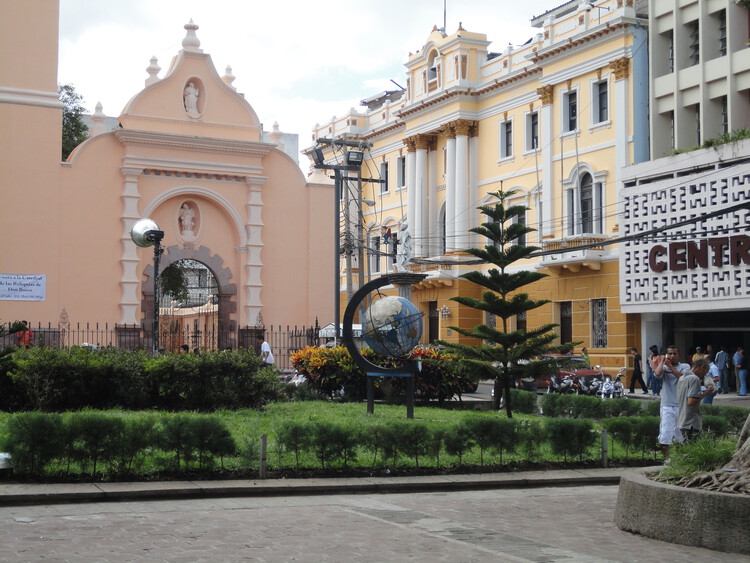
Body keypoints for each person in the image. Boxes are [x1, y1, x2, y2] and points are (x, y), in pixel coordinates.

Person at [653, 345, 691, 460]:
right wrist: (662, 362)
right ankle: (667, 460)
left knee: (680, 435)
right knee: (665, 434)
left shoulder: (685, 366)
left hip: (681, 406)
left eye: (674, 354)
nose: (672, 356)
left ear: (679, 355)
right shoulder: (664, 367)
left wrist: (670, 367)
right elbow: (657, 374)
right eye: (669, 354)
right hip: (667, 405)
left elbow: (682, 378)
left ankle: (679, 459)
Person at [677, 358, 713, 441]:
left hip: (682, 420)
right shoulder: (694, 379)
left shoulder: (682, 378)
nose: (704, 376)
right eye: (705, 372)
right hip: (691, 422)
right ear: (701, 367)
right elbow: (691, 401)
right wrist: (706, 393)